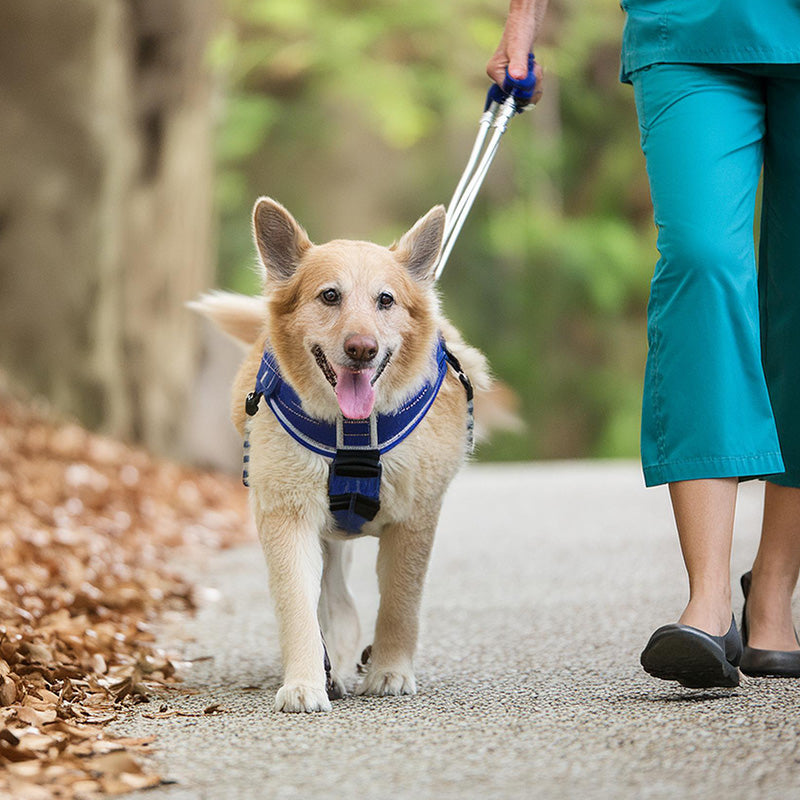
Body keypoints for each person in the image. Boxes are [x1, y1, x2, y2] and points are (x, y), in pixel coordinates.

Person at [490, 0, 800, 687]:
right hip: (689, 24)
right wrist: (523, 18)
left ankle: (775, 586)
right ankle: (708, 602)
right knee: (700, 261)